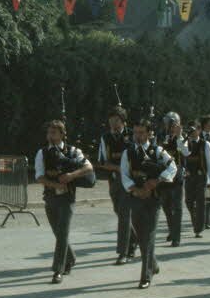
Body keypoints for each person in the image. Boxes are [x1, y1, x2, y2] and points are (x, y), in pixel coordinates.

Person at [35, 119, 94, 283]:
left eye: (53, 132)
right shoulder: (42, 153)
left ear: (62, 134)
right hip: (50, 196)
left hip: (67, 198)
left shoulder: (73, 151)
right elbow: (39, 176)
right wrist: (55, 184)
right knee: (58, 233)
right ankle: (71, 258)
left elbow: (89, 168)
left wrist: (71, 176)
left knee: (62, 233)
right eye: (49, 132)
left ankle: (57, 270)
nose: (50, 136)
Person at [121, 117, 176, 288]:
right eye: (135, 133)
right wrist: (135, 190)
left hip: (154, 197)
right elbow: (124, 175)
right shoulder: (128, 152)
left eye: (141, 132)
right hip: (136, 197)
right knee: (140, 235)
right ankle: (154, 264)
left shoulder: (158, 151)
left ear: (149, 133)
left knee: (149, 234)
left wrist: (157, 181)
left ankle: (145, 275)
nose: (138, 136)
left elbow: (173, 167)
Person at [97, 106, 136, 265]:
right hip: (114, 180)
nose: (113, 123)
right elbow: (102, 161)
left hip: (130, 181)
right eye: (111, 120)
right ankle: (134, 241)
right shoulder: (105, 138)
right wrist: (118, 168)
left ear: (123, 122)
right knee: (120, 213)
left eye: (117, 120)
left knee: (125, 216)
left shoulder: (132, 135)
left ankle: (123, 252)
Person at [157, 112, 188, 247]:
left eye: (173, 123)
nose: (170, 126)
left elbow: (186, 152)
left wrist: (179, 135)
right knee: (166, 206)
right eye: (168, 123)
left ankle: (177, 237)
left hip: (177, 176)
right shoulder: (159, 136)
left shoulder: (182, 138)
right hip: (163, 175)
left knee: (177, 207)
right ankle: (172, 229)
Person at [182, 121, 210, 239]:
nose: (192, 132)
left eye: (194, 129)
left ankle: (198, 229)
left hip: (201, 176)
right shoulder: (186, 143)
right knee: (188, 201)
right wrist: (186, 139)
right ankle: (196, 218)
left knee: (200, 201)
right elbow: (185, 152)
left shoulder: (205, 144)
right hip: (189, 176)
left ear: (199, 130)